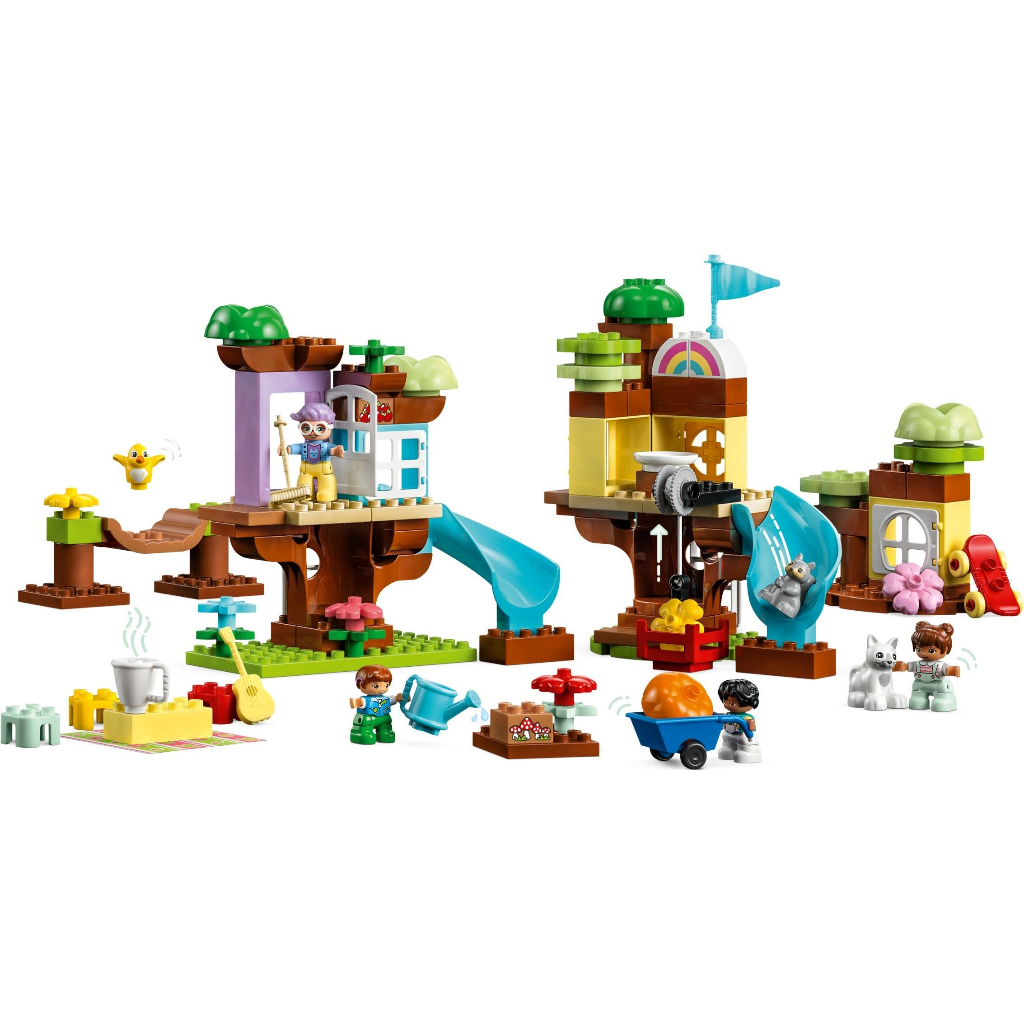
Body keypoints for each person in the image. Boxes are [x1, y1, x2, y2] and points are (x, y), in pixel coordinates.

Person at [277, 402, 344, 502]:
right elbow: (294, 448)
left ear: (329, 428)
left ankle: (327, 492)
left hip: (324, 470)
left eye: (320, 428)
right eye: (306, 428)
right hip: (306, 470)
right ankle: (305, 494)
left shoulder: (326, 446)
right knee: (304, 482)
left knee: (326, 479)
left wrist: (336, 450)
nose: (312, 432)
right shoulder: (304, 446)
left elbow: (332, 449)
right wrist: (286, 449)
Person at [894, 621, 959, 712]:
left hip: (938, 685)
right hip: (920, 685)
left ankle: (945, 700)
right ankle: (919, 699)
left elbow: (946, 669)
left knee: (941, 700)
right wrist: (903, 666)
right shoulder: (918, 664)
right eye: (919, 649)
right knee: (917, 701)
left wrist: (951, 670)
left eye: (931, 650)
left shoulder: (941, 665)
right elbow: (909, 666)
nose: (924, 653)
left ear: (946, 649)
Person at [349, 665, 404, 744]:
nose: (382, 689)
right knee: (364, 727)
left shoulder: (385, 698)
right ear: (360, 684)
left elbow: (393, 700)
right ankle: (363, 733)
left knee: (386, 726)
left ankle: (384, 732)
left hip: (384, 718)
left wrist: (399, 698)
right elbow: (359, 703)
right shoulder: (365, 700)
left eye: (386, 685)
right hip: (368, 719)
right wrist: (357, 702)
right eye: (376, 686)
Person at [717, 678, 761, 763]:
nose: (726, 704)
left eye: (732, 702)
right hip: (728, 735)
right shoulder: (728, 714)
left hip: (742, 735)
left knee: (744, 746)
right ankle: (729, 750)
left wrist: (749, 731)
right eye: (724, 700)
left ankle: (748, 752)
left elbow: (751, 728)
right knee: (727, 745)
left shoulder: (747, 717)